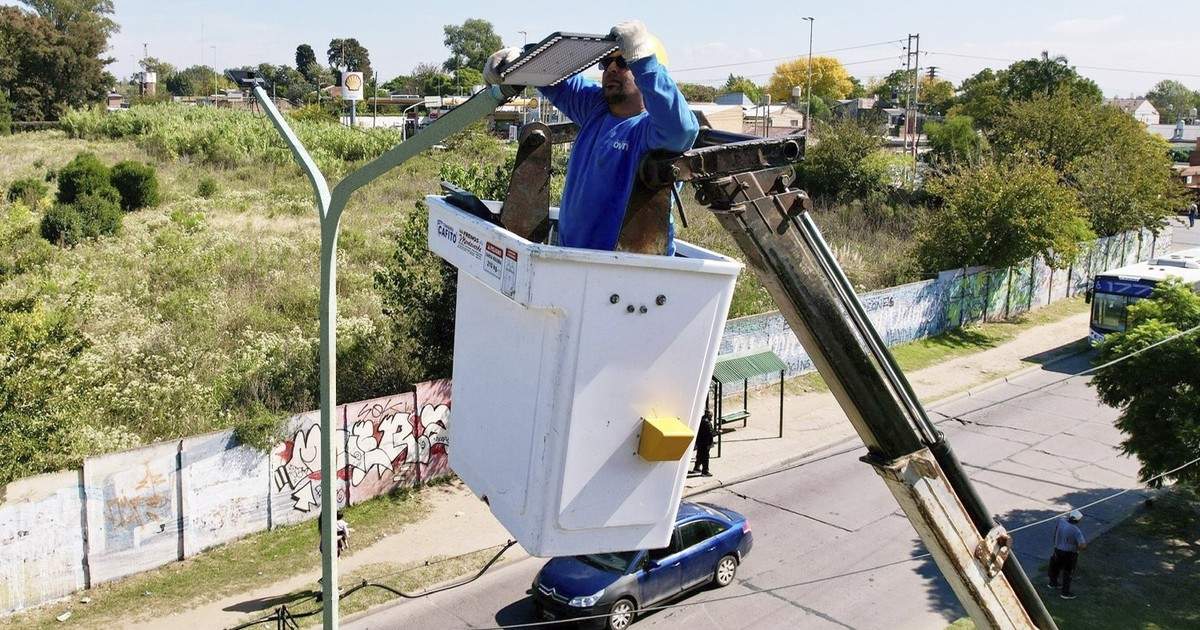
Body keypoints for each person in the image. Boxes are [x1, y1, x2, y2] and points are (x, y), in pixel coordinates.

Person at [483, 20, 699, 255]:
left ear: (650, 71)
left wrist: (643, 59)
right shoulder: (596, 109)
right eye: (606, 62)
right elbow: (555, 80)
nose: (611, 69)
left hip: (628, 268)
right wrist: (521, 62)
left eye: (623, 62)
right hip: (572, 259)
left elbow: (683, 129)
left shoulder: (652, 132)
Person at [1047, 509, 1087, 599]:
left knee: (1055, 567)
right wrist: (1080, 548)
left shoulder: (1061, 522)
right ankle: (1065, 592)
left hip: (1057, 549)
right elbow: (1082, 545)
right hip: (1069, 554)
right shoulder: (1076, 531)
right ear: (1078, 520)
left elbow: (1055, 532)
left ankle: (1053, 583)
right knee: (1068, 572)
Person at [693, 410, 714, 476]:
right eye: (711, 415)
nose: (712, 417)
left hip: (700, 442)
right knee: (705, 457)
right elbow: (710, 433)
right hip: (705, 443)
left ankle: (696, 467)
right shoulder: (707, 423)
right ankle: (705, 471)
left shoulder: (701, 420)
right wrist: (717, 432)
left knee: (699, 455)